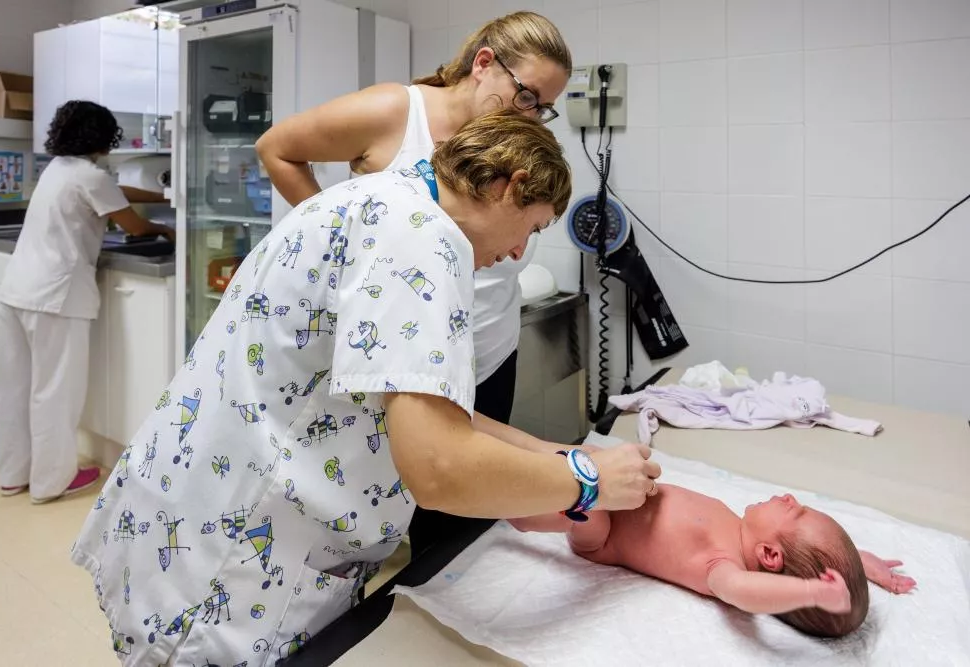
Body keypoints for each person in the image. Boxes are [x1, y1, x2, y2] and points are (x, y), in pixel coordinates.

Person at [70, 110, 662, 666]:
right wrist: (586, 485)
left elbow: (420, 405)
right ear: (513, 184)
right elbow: (438, 466)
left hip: (189, 512)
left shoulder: (376, 199)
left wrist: (561, 459)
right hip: (236, 562)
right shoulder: (422, 241)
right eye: (531, 228)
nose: (515, 252)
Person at [255, 11, 573, 556]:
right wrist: (353, 246)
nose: (535, 117)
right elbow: (277, 148)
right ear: (483, 64)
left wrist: (546, 463)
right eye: (527, 97)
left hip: (486, 352)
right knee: (414, 481)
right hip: (400, 355)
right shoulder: (396, 118)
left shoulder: (509, 144)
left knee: (461, 524)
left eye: (545, 108)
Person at [0, 100, 175, 504]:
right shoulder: (90, 177)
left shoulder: (59, 169)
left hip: (16, 291)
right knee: (55, 392)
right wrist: (164, 226)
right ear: (102, 137)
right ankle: (50, 482)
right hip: (54, 296)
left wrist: (166, 194)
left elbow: (116, 192)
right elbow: (133, 223)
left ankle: (13, 475)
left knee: (16, 388)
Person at [510, 485, 917, 638]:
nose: (791, 498)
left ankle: (518, 515)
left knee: (589, 498)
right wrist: (860, 563)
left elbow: (747, 594)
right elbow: (821, 557)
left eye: (796, 512)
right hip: (623, 491)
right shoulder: (738, 529)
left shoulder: (723, 568)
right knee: (594, 470)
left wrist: (811, 590)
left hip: (602, 536)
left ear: (770, 556)